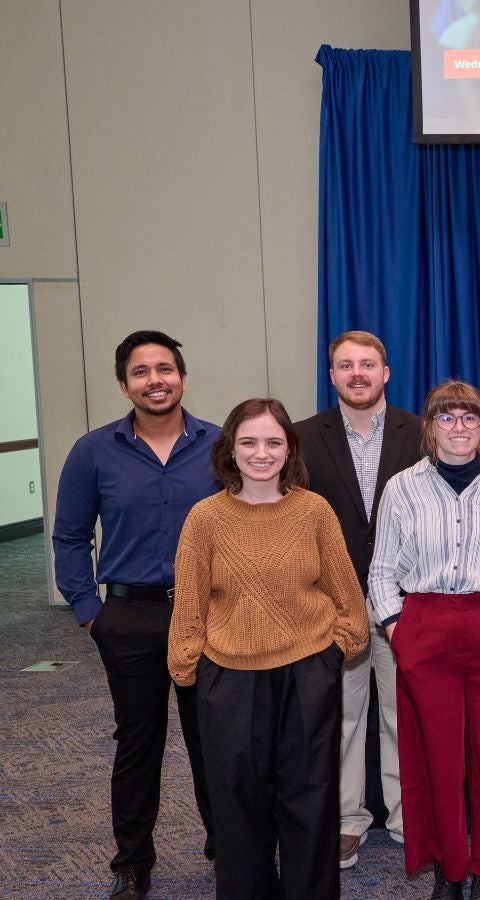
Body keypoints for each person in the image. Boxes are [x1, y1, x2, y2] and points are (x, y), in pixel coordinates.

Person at [168, 398, 369, 900]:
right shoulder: (205, 518)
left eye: (274, 442)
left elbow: (348, 596)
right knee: (237, 805)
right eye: (249, 442)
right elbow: (189, 602)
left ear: (289, 449)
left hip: (308, 674)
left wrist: (333, 652)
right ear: (230, 451)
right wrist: (189, 666)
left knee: (311, 798)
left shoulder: (313, 511)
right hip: (229, 680)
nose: (262, 453)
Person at [52, 330, 218, 900]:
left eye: (166, 369)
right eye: (142, 372)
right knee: (138, 742)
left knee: (214, 740)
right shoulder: (92, 451)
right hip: (129, 619)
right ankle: (132, 861)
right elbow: (70, 537)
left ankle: (228, 846)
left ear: (183, 377)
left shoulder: (219, 446)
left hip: (208, 619)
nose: (156, 380)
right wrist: (88, 611)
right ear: (124, 385)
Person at [367, 380, 480, 899]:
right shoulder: (402, 488)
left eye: (468, 418)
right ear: (430, 427)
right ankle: (449, 869)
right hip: (426, 628)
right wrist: (400, 631)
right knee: (433, 754)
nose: (458, 428)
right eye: (447, 418)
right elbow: (381, 572)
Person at [293, 331, 425, 867]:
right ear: (332, 376)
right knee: (343, 716)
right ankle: (347, 820)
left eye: (367, 364)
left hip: (406, 603)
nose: (357, 374)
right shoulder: (301, 437)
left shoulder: (420, 432)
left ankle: (405, 815)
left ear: (386, 371)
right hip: (333, 605)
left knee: (403, 714)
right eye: (345, 365)